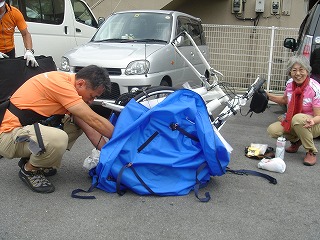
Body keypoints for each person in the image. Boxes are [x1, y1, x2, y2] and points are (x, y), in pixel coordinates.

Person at [0, 65, 114, 193]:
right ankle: (30, 170)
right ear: (81, 84)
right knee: (58, 138)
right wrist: (121, 139)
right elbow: (94, 119)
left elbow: (90, 127)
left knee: (75, 125)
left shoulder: (70, 84)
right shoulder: (60, 84)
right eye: (92, 96)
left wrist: (112, 154)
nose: (91, 101)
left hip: (26, 133)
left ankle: (35, 157)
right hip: (9, 136)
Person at [266, 55, 320, 166]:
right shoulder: (290, 84)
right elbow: (285, 100)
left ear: (307, 71)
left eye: (301, 70)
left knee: (298, 118)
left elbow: (318, 115)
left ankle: (311, 151)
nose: (298, 74)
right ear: (290, 72)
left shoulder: (314, 88)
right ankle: (296, 141)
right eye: (294, 70)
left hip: (315, 123)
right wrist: (268, 96)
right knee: (273, 130)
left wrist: (313, 121)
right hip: (297, 122)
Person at [0, 0, 38, 67]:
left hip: (9, 51)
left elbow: (25, 34)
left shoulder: (14, 13)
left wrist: (29, 51)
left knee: (11, 74)